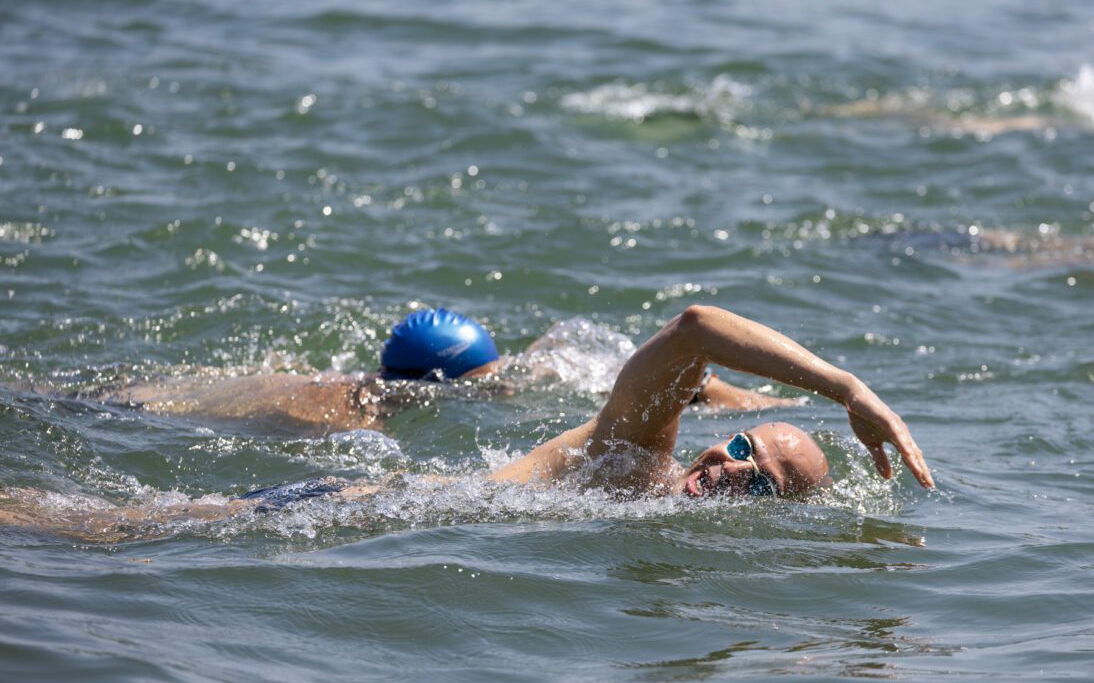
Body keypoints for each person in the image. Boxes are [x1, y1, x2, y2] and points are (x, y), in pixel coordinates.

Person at [0, 306, 932, 541]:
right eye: (738, 447)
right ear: (705, 439)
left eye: (759, 479)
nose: (732, 468)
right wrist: (845, 385)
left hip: (358, 517)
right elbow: (693, 331)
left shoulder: (650, 508)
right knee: (104, 530)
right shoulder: (633, 465)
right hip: (338, 504)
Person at [88, 307, 804, 434]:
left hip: (198, 391)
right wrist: (767, 405)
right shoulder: (551, 360)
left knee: (110, 400)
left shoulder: (331, 389)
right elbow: (689, 374)